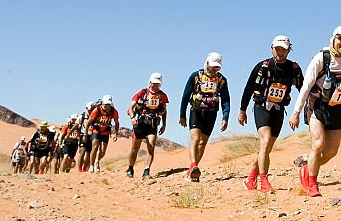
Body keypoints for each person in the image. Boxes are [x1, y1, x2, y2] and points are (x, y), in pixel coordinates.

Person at [288, 26, 341, 198]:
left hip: (337, 108)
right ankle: (313, 185)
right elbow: (306, 87)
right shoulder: (320, 59)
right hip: (317, 106)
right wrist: (296, 112)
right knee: (318, 144)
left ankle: (307, 169)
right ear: (334, 39)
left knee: (331, 152)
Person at [239, 36, 304, 193]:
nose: (280, 52)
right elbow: (248, 88)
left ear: (289, 49)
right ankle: (264, 181)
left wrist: (301, 110)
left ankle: (250, 179)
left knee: (266, 148)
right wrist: (242, 110)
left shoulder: (294, 68)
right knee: (265, 141)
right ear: (272, 48)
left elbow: (303, 89)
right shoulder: (263, 66)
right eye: (277, 49)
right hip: (262, 107)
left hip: (279, 110)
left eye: (283, 49)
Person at [179, 52, 230, 182]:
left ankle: (192, 171)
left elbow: (225, 100)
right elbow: (185, 95)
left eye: (217, 67)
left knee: (203, 142)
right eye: (213, 66)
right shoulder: (195, 76)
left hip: (211, 113)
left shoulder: (222, 80)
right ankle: (193, 166)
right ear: (207, 63)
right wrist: (182, 114)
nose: (214, 69)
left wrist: (225, 116)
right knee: (195, 139)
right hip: (196, 111)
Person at [126, 73, 169, 179]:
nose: (155, 86)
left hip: (152, 125)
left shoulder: (162, 96)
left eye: (158, 84)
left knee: (151, 148)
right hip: (140, 124)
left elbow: (164, 110)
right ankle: (130, 168)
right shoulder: (142, 93)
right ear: (150, 82)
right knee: (134, 149)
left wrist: (164, 124)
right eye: (154, 84)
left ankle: (146, 170)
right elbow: (131, 107)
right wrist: (132, 118)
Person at [86, 96, 120, 173]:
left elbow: (116, 123)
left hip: (106, 131)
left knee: (103, 151)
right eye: (105, 104)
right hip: (96, 130)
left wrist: (115, 134)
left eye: (108, 105)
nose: (107, 106)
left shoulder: (113, 111)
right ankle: (91, 166)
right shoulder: (96, 110)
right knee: (94, 147)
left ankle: (97, 161)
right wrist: (85, 133)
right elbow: (89, 122)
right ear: (102, 103)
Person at [76, 101, 96, 172]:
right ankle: (79, 169)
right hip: (83, 135)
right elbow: (77, 126)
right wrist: (79, 135)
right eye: (90, 110)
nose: (91, 111)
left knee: (88, 153)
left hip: (92, 136)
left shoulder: (95, 116)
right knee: (82, 151)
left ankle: (85, 168)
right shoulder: (82, 117)